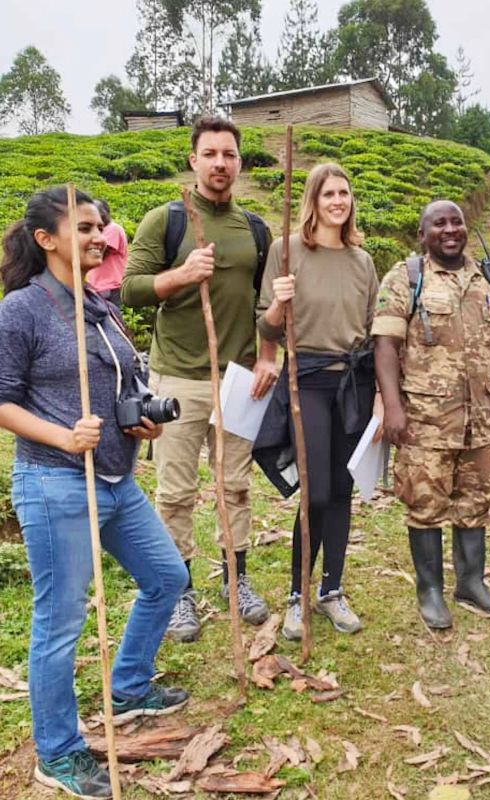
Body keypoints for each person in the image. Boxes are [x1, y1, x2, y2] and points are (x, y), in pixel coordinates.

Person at [0, 188, 189, 800]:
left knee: (167, 577)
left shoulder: (101, 307)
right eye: (83, 227)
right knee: (61, 623)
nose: (98, 236)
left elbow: (121, 385)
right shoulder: (22, 311)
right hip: (55, 483)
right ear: (46, 239)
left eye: (100, 227)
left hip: (115, 479)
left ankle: (129, 685)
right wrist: (63, 434)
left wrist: (143, 421)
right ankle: (57, 754)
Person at [121, 116, 276, 642]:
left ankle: (238, 582)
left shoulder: (254, 228)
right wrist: (183, 275)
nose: (219, 163)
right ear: (193, 160)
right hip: (177, 380)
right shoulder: (164, 220)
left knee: (234, 486)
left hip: (238, 381)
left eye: (229, 154)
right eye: (209, 153)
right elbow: (131, 288)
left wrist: (266, 355)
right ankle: (182, 590)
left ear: (239, 161)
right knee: (177, 492)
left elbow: (264, 303)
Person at [373, 200, 490, 630]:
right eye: (439, 223)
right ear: (423, 233)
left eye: (457, 222)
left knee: (475, 503)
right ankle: (430, 592)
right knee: (425, 504)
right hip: (425, 420)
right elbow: (386, 346)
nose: (450, 229)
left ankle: (471, 584)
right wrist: (392, 405)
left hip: (481, 417)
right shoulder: (406, 276)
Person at [257, 162, 380, 641]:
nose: (338, 201)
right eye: (329, 193)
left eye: (344, 193)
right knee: (316, 492)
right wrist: (278, 303)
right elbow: (267, 328)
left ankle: (332, 589)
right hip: (306, 379)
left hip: (353, 382)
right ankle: (296, 594)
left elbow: (373, 329)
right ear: (313, 199)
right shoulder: (285, 252)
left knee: (343, 490)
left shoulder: (362, 261)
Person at [85, 199, 127, 307]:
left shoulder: (113, 229)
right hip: (96, 286)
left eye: (99, 212)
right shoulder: (97, 231)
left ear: (106, 212)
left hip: (111, 287)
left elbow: (99, 254)